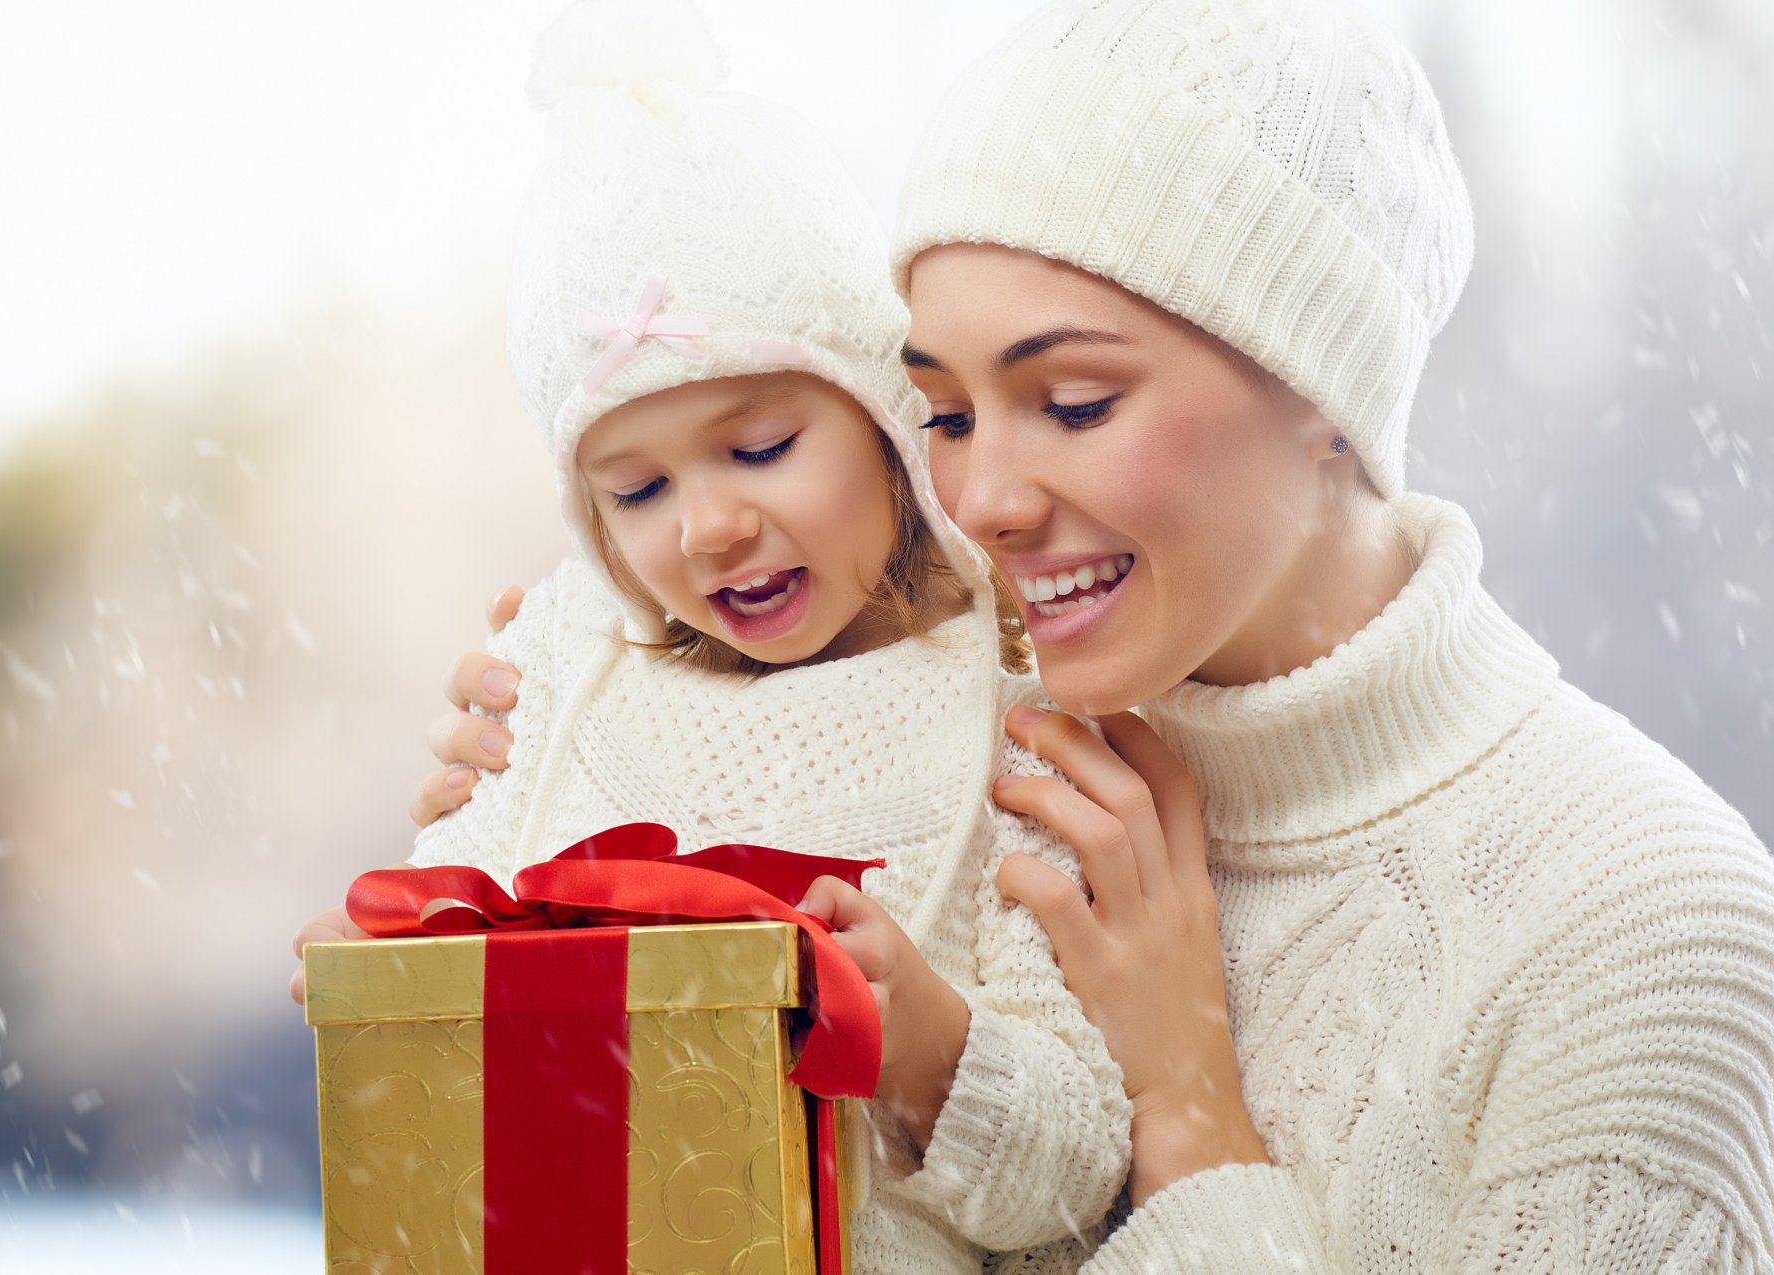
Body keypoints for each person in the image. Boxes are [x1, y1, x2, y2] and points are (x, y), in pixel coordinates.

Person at [418, 1, 1774, 1270]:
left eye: (1072, 403)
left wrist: (1191, 1121)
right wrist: (599, 773)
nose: (982, 502)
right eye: (945, 417)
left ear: (1322, 385)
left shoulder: (1646, 934)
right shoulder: (971, 750)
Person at [292, 4, 1135, 1271]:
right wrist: (382, 985)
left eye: (761, 446)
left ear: (886, 420)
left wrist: (923, 1044)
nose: (709, 527)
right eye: (636, 490)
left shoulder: (1016, 712)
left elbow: (1076, 1182)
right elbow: (452, 950)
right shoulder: (566, 673)